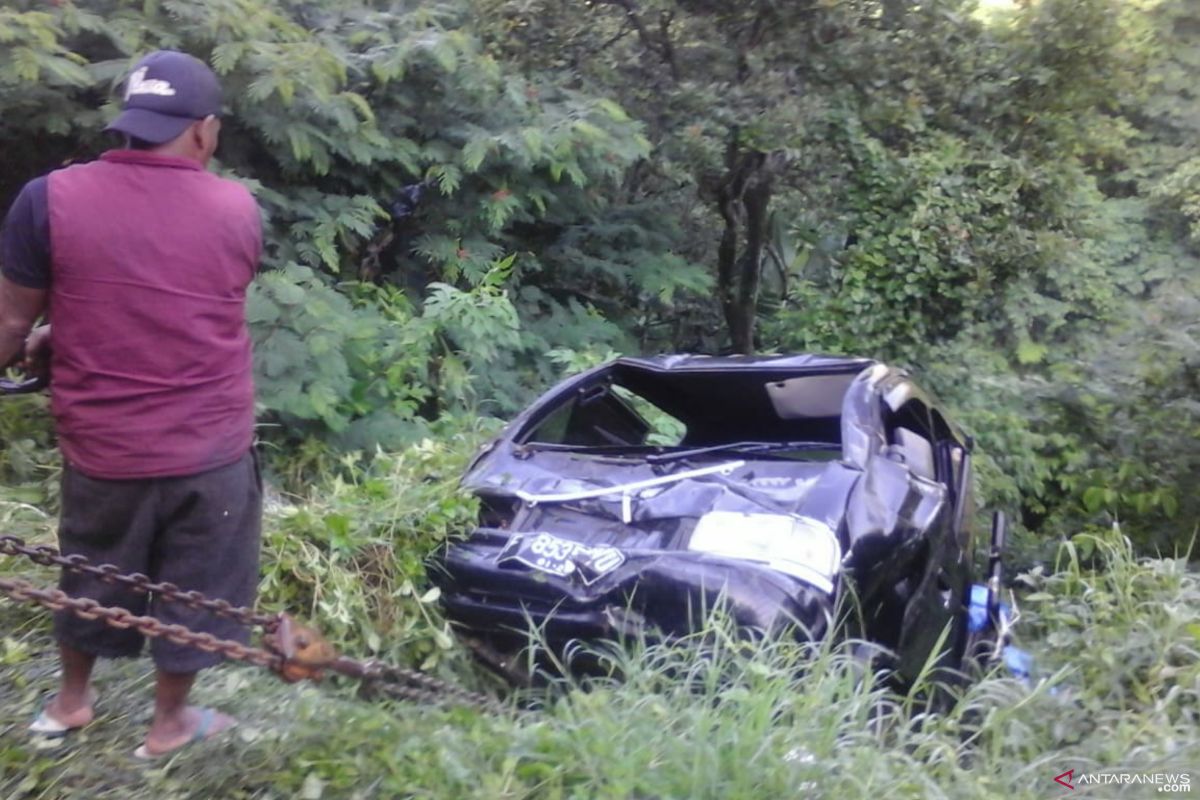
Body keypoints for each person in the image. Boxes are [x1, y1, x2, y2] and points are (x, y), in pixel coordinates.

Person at [0, 50, 262, 758]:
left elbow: (11, 326)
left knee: (90, 568)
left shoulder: (47, 199)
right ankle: (169, 724)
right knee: (200, 583)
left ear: (130, 121)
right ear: (203, 132)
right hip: (208, 447)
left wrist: (50, 336)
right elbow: (184, 304)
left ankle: (70, 702)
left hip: (104, 447)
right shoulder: (237, 208)